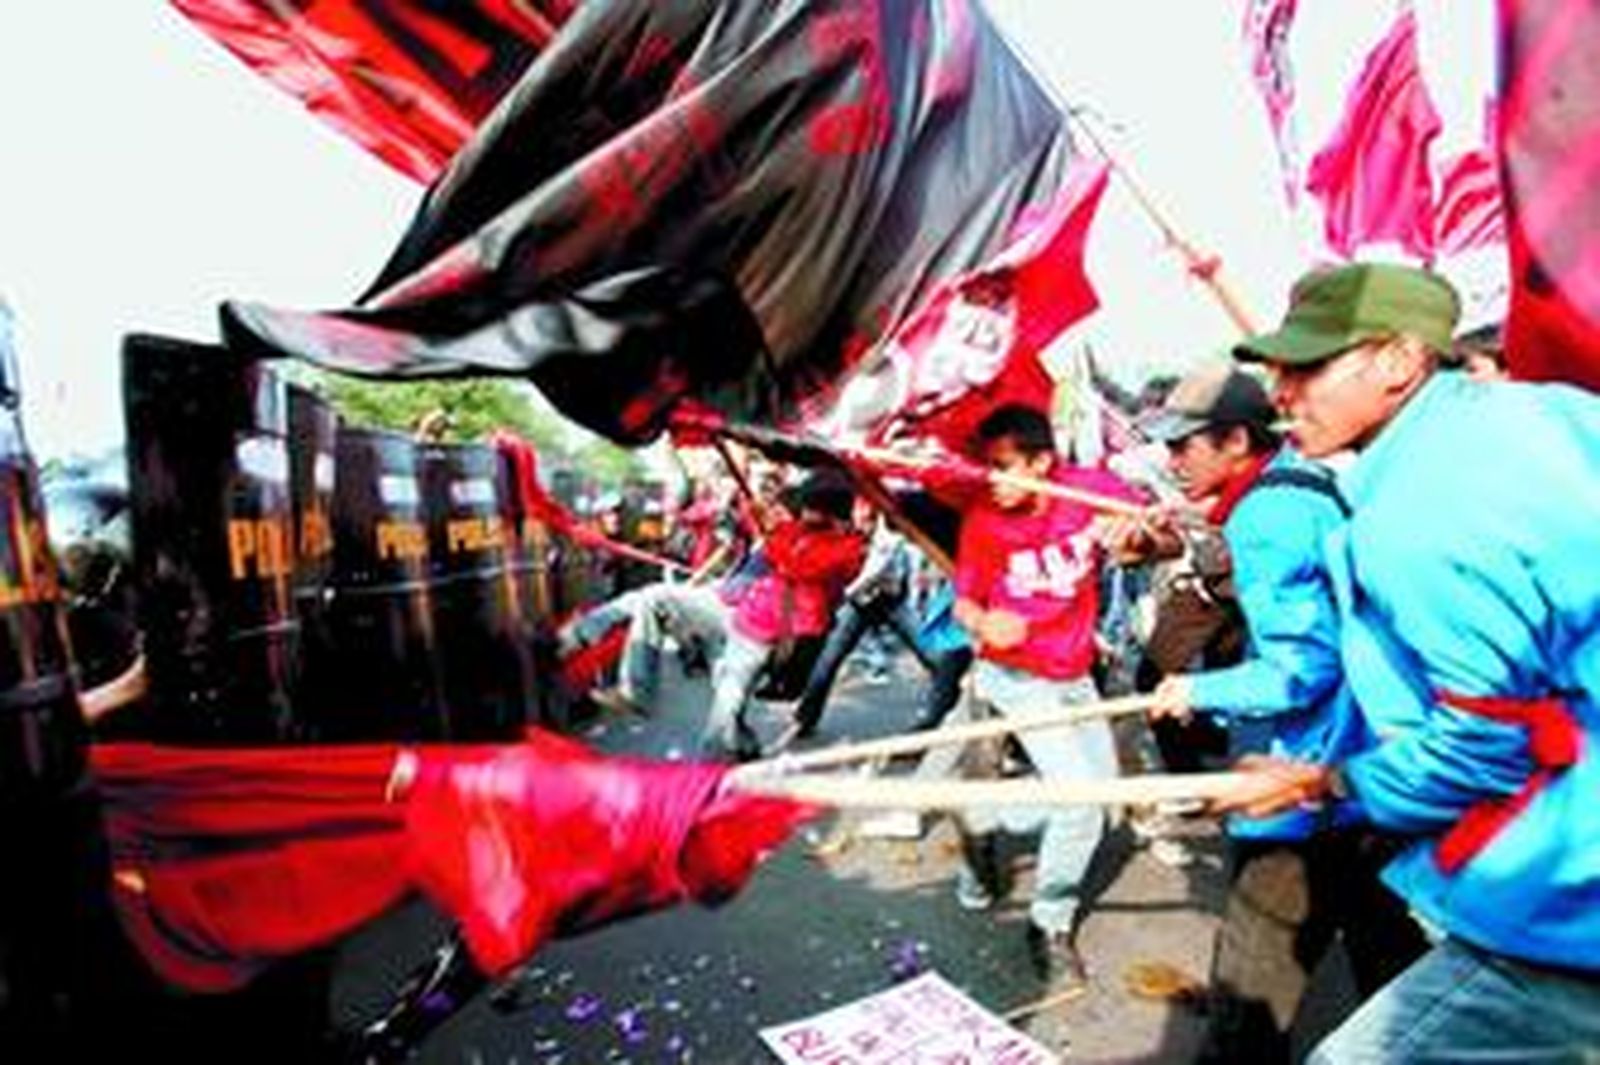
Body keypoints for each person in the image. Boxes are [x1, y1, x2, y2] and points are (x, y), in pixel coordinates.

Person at [1214, 262, 1600, 1061]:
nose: (1280, 391)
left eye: (1307, 366)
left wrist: (1327, 781)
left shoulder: (1419, 509)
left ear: (1398, 360)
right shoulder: (1550, 415)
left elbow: (1487, 741)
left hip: (1571, 878)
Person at [1115, 363, 1426, 1062]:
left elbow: (1300, 669)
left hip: (1302, 780)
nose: (1172, 462)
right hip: (1365, 763)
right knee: (1383, 941)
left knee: (1247, 1002)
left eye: (1184, 445)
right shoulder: (1304, 482)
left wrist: (1196, 690)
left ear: (1234, 441)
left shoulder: (1268, 514)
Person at [947, 403, 1141, 988]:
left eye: (1006, 467)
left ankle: (982, 815)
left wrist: (1136, 534)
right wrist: (984, 625)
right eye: (987, 467)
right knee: (1080, 805)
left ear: (1043, 462)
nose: (993, 480)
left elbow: (1153, 536)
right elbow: (964, 602)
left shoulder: (1093, 491)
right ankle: (1049, 924)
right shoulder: (983, 520)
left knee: (1101, 805)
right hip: (1014, 676)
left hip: (1075, 672)